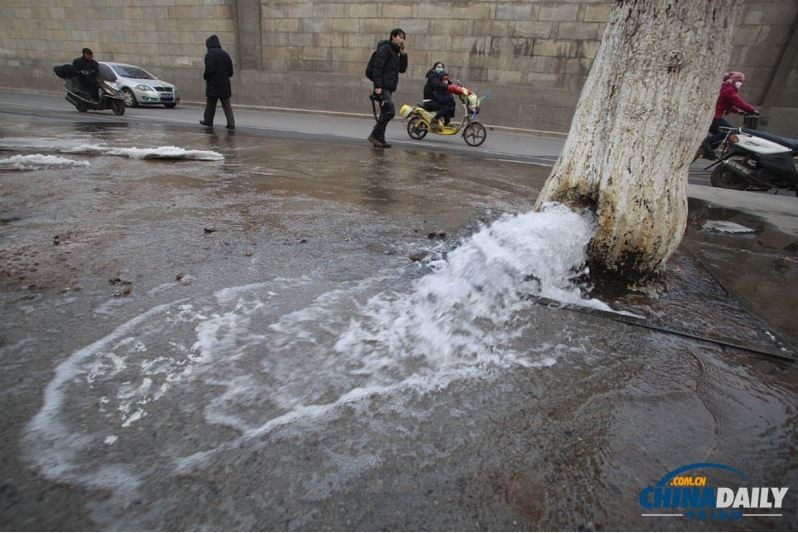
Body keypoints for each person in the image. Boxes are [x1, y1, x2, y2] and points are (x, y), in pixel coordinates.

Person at [700, 71, 757, 159]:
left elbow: (726, 103)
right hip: (714, 116)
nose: (740, 84)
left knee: (719, 134)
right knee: (729, 131)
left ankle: (706, 151)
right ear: (735, 80)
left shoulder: (724, 87)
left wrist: (738, 111)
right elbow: (738, 102)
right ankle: (707, 143)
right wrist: (752, 110)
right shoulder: (729, 89)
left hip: (710, 115)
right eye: (740, 81)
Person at [367, 28, 408, 148]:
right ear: (393, 37)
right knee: (390, 111)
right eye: (400, 37)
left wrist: (403, 54)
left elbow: (402, 69)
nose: (402, 40)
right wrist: (378, 86)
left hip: (389, 87)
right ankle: (375, 135)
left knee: (385, 112)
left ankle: (380, 139)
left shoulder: (395, 52)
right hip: (383, 86)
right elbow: (377, 68)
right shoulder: (384, 49)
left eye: (403, 38)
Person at [200, 35, 235, 130]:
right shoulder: (225, 54)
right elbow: (230, 71)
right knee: (226, 104)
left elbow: (209, 70)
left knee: (211, 103)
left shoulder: (210, 55)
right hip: (224, 83)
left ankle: (208, 121)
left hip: (213, 84)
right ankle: (231, 123)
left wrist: (206, 76)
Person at [422, 62, 456, 131]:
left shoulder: (440, 76)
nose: (440, 68)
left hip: (436, 98)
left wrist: (457, 87)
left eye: (441, 67)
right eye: (438, 67)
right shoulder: (432, 76)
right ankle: (434, 121)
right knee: (445, 107)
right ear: (434, 68)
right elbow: (437, 85)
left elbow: (448, 83)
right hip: (429, 100)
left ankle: (447, 122)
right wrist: (448, 87)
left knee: (450, 104)